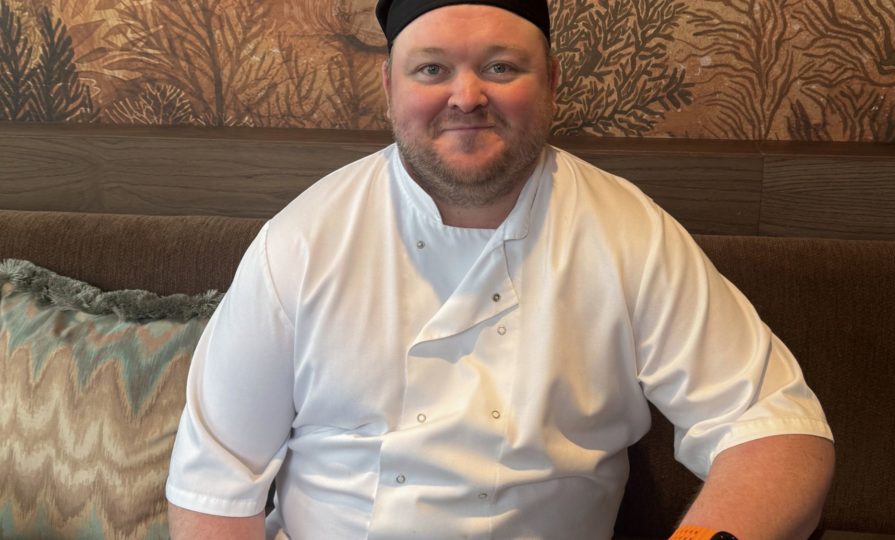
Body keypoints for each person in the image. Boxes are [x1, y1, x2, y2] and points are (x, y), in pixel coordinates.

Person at [166, 1, 835, 538]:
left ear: (552, 82)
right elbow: (216, 481)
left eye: (501, 66)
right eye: (432, 69)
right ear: (389, 85)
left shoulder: (628, 233)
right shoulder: (303, 241)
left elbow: (773, 424)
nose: (466, 96)